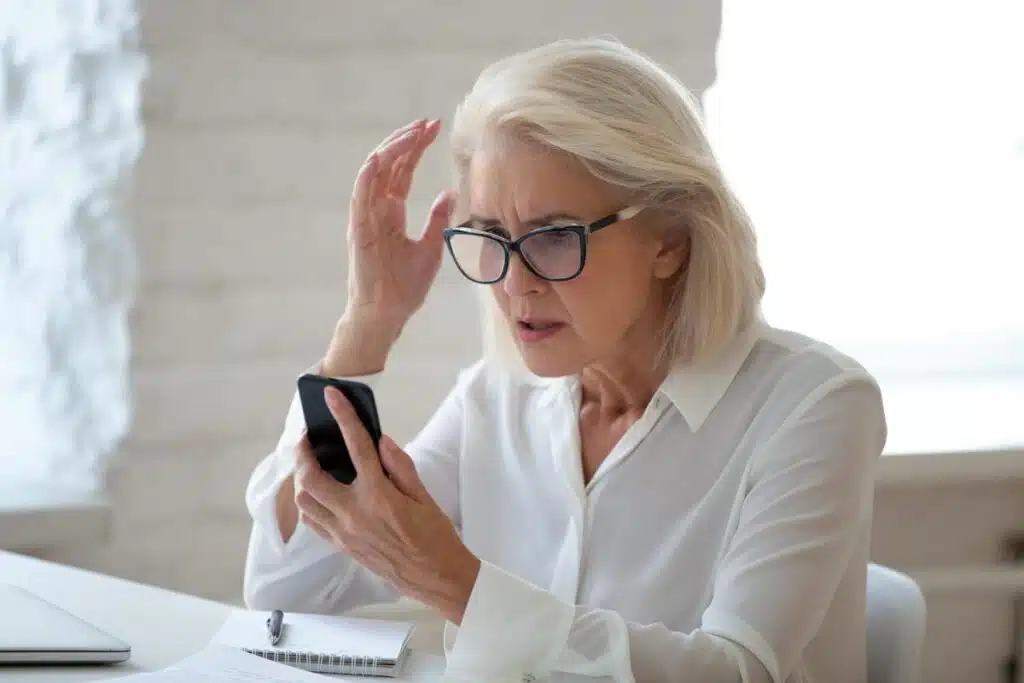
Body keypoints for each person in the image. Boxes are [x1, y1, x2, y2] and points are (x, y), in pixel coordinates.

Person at [242, 36, 887, 683]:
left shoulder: (816, 406)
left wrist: (459, 584)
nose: (515, 284)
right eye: (493, 236)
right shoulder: (498, 397)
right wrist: (368, 322)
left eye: (553, 237)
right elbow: (286, 588)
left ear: (669, 239)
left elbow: (738, 670)